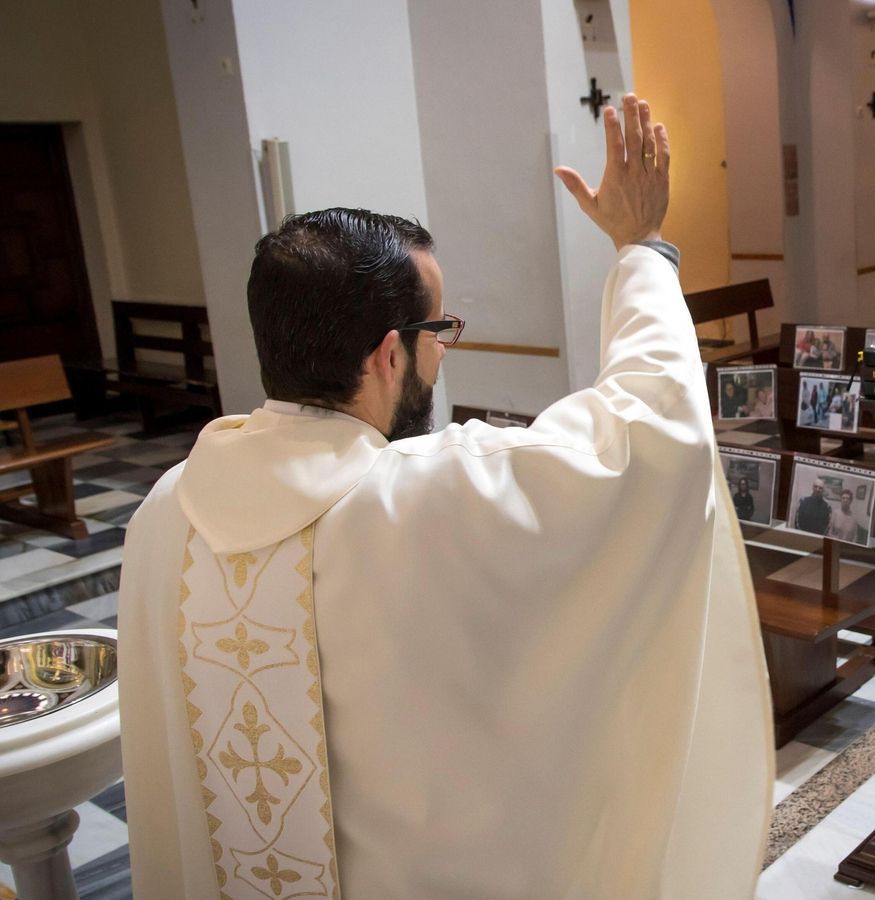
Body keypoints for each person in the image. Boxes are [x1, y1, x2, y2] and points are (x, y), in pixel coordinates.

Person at [117, 95, 772, 897]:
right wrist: (642, 249)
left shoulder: (163, 514)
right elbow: (653, 434)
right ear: (390, 355)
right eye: (440, 330)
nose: (440, 354)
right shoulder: (438, 498)